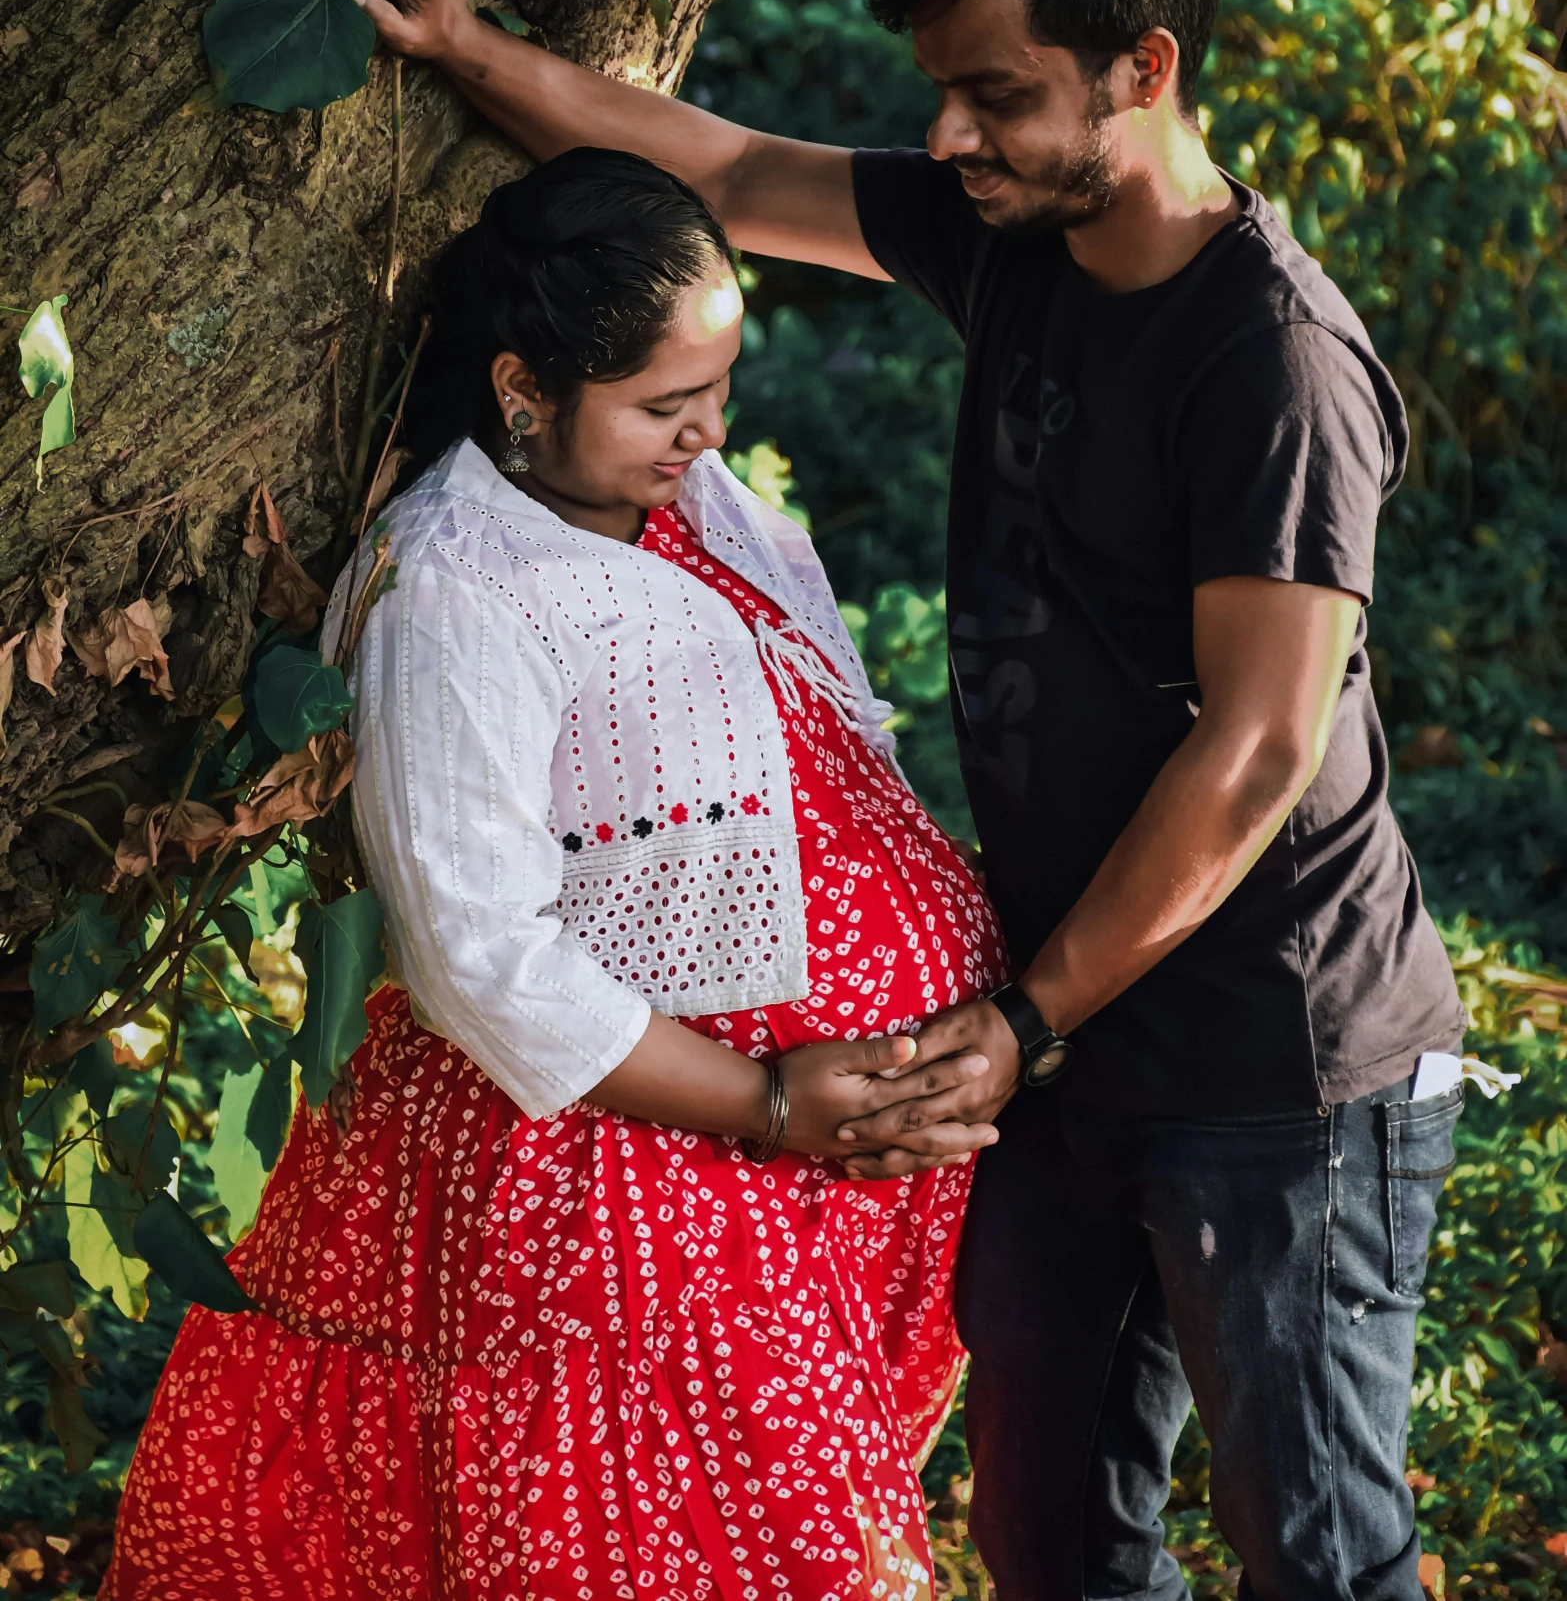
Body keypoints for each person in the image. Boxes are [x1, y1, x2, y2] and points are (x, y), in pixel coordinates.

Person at [300, 0, 1470, 1601]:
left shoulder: (1271, 361)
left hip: (1266, 1056)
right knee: (1051, 1542)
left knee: (1314, 1551)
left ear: (1139, 68)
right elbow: (721, 165)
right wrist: (465, 45)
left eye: (992, 92)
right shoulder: (1006, 225)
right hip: (1062, 1051)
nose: (945, 136)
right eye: (938, 91)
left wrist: (1020, 1013)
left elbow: (1256, 748)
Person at [104, 149, 1006, 1601]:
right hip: (619, 1174)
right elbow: (475, 953)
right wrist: (770, 1101)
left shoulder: (698, 511)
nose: (705, 434)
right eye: (662, 404)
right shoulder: (456, 583)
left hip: (788, 1173)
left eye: (719, 390)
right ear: (524, 387)